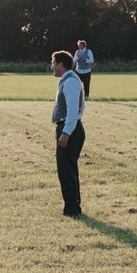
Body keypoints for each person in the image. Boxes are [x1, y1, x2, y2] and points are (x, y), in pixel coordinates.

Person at [50, 49, 84, 218]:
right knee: (69, 169)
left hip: (69, 129)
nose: (52, 66)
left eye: (53, 63)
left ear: (61, 65)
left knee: (66, 171)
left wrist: (66, 132)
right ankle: (73, 206)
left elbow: (73, 111)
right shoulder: (70, 79)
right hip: (71, 128)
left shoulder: (70, 82)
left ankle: (72, 210)